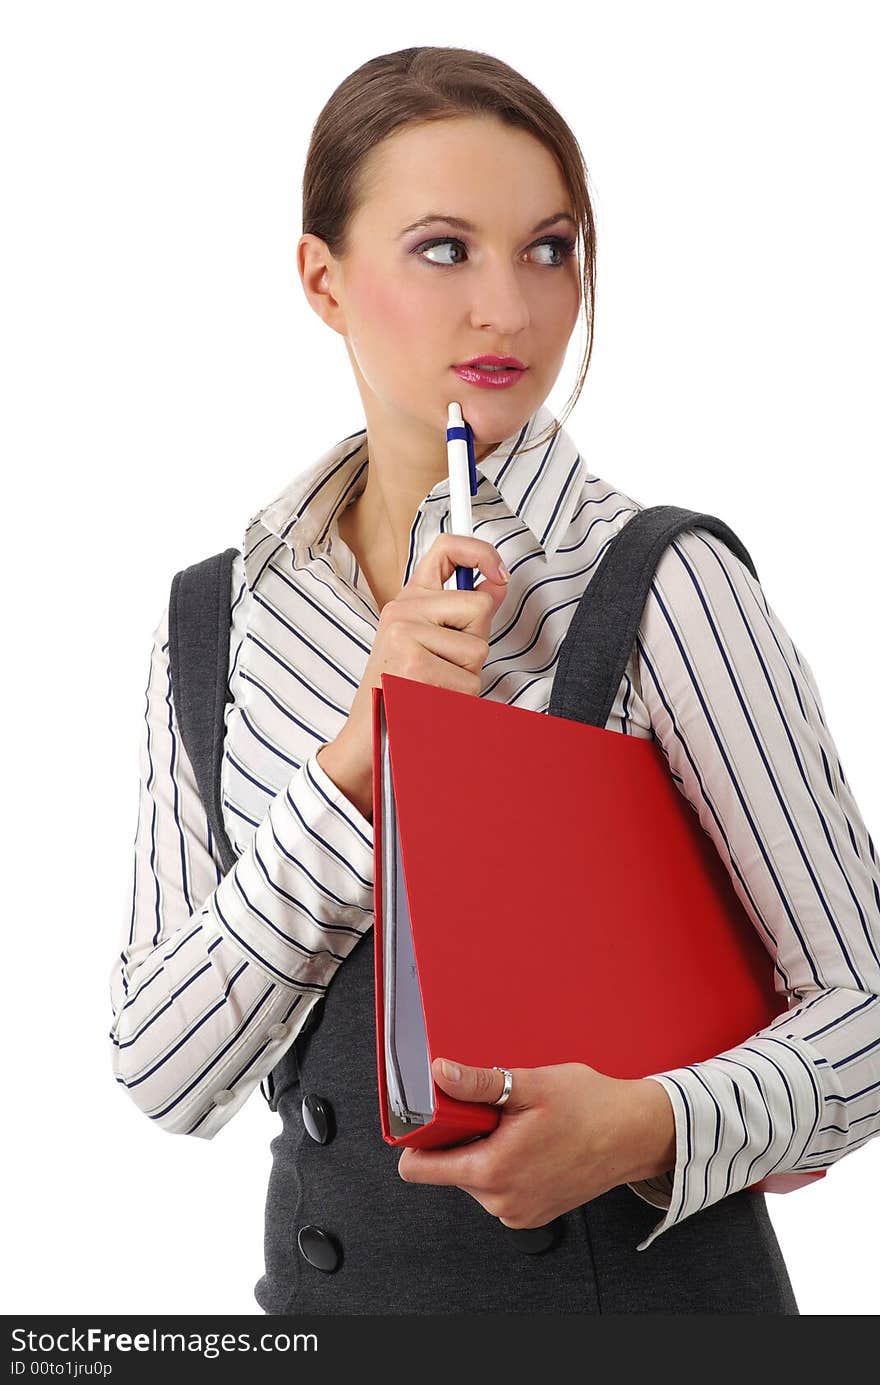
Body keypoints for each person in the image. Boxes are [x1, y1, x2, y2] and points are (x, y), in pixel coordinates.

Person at [108, 46, 880, 1315]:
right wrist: (356, 766)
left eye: (550, 247)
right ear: (324, 279)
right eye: (443, 249)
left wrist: (647, 1125)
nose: (511, 313)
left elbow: (862, 1009)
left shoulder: (661, 583)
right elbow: (162, 1067)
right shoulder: (217, 619)